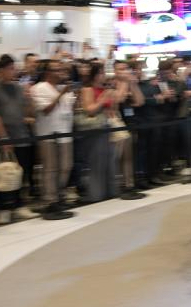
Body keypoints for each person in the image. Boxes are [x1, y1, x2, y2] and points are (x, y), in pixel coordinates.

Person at [0, 55, 39, 225]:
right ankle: (2, 208)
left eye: (14, 68)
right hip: (1, 140)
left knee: (20, 173)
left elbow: (28, 112)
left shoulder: (19, 88)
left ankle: (18, 204)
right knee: (2, 174)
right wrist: (4, 139)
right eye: (9, 68)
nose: (13, 72)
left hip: (21, 136)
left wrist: (30, 98)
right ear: (0, 70)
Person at [30, 60, 75, 212]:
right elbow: (45, 110)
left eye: (62, 70)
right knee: (50, 168)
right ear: (48, 72)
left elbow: (70, 110)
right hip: (47, 134)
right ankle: (50, 200)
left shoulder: (65, 88)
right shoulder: (39, 88)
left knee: (66, 166)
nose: (61, 73)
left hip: (65, 133)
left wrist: (73, 96)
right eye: (57, 70)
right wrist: (61, 94)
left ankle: (60, 194)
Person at [78, 63, 117, 202]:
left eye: (104, 73)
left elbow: (112, 110)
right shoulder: (87, 90)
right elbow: (90, 110)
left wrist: (111, 101)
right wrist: (103, 99)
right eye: (101, 73)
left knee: (109, 161)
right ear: (94, 75)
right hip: (94, 130)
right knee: (96, 163)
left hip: (108, 127)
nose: (104, 76)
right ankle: (96, 194)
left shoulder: (106, 89)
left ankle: (110, 192)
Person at [112, 60, 144, 195]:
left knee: (129, 155)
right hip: (115, 122)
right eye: (120, 69)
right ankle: (118, 184)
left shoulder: (130, 82)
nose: (124, 71)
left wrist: (132, 84)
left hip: (130, 121)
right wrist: (125, 84)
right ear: (114, 71)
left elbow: (140, 101)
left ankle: (129, 184)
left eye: (125, 68)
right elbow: (118, 100)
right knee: (118, 156)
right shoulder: (111, 83)